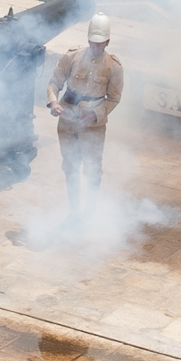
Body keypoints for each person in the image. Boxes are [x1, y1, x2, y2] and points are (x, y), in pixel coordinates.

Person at [47, 13, 124, 214]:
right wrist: (53, 101)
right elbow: (54, 82)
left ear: (107, 42)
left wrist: (95, 115)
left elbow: (114, 99)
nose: (96, 46)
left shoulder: (114, 67)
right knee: (70, 166)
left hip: (92, 125)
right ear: (88, 39)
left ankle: (89, 213)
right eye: (93, 42)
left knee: (93, 170)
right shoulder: (71, 57)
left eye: (100, 43)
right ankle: (74, 212)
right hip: (67, 119)